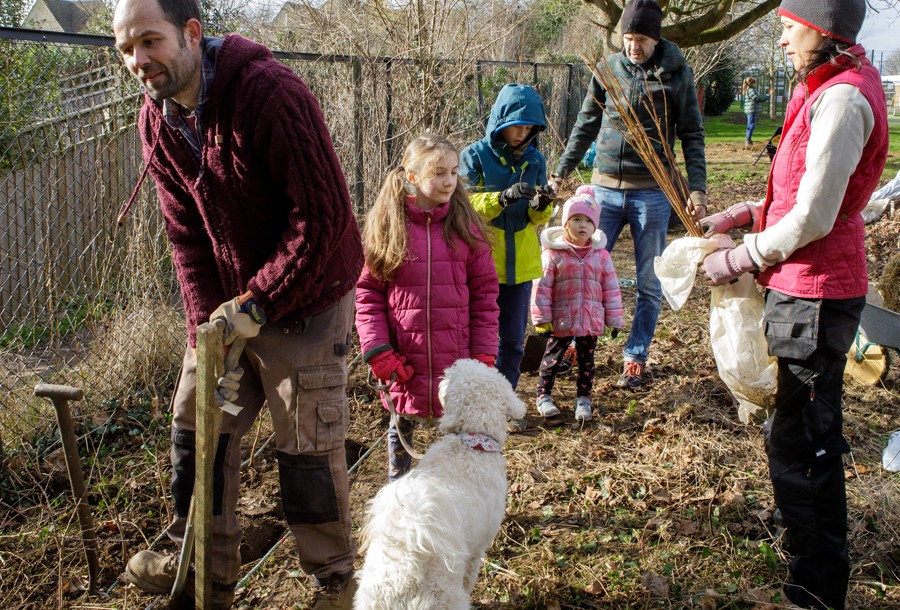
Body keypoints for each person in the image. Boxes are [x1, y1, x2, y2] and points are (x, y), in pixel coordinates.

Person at [112, 0, 364, 608]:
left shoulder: (269, 95)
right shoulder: (159, 120)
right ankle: (199, 573)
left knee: (305, 442)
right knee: (198, 421)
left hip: (305, 299)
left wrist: (258, 305)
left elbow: (322, 219)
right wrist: (210, 325)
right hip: (233, 306)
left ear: (191, 34)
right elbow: (187, 240)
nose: (139, 60)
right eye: (126, 48)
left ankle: (336, 583)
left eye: (151, 41)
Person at [700, 1, 888, 607]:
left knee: (803, 442)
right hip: (807, 285)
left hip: (816, 292)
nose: (779, 39)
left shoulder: (842, 99)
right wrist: (749, 214)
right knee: (799, 432)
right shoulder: (827, 88)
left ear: (821, 27)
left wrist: (741, 256)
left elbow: (814, 216)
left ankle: (816, 589)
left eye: (787, 26)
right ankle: (804, 548)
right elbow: (801, 198)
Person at [550, 0, 707, 390]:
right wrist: (560, 172)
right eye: (628, 38)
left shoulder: (675, 74)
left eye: (641, 39)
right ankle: (576, 343)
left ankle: (635, 356)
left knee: (648, 282)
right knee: (584, 272)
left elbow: (692, 133)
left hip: (651, 194)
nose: (633, 47)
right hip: (602, 190)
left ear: (656, 38)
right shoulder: (608, 69)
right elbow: (585, 124)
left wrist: (698, 188)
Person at [355, 134, 499, 481]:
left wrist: (482, 359)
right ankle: (399, 493)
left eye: (453, 171)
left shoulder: (467, 228)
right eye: (438, 172)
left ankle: (458, 497)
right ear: (412, 175)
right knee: (401, 431)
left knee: (458, 442)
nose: (449, 180)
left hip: (457, 364)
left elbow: (485, 298)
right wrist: (377, 351)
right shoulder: (390, 228)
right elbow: (367, 295)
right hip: (404, 364)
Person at [459, 83, 554, 431]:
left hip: (521, 265)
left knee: (513, 340)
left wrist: (542, 206)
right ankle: (473, 405)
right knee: (478, 340)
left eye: (530, 127)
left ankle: (504, 403)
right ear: (500, 121)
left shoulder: (536, 159)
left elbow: (537, 219)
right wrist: (501, 198)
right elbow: (463, 206)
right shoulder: (474, 156)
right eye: (517, 126)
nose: (523, 133)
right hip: (482, 263)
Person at [530, 186, 624, 422]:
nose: (583, 225)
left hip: (590, 317)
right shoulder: (553, 254)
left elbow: (611, 289)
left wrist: (614, 319)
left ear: (595, 226)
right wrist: (542, 318)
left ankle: (583, 399)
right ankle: (543, 395)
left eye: (588, 221)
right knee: (552, 358)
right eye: (576, 219)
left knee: (586, 361)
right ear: (565, 224)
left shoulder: (601, 255)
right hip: (561, 317)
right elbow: (541, 287)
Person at [742, 77, 771, 147]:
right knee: (751, 125)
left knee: (750, 125)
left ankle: (748, 140)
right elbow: (757, 98)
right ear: (752, 83)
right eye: (755, 83)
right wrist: (768, 96)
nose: (756, 84)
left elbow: (758, 96)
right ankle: (748, 140)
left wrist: (767, 95)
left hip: (751, 109)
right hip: (751, 110)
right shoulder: (751, 90)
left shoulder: (750, 89)